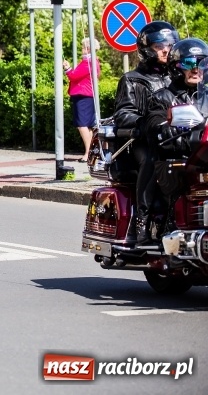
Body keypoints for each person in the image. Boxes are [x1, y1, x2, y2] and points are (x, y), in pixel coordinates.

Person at [113, 20, 179, 244]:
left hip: (175, 138)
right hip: (141, 142)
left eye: (170, 45)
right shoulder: (132, 79)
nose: (165, 50)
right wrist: (146, 124)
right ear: (146, 49)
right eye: (159, 46)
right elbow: (123, 114)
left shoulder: (177, 79)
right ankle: (142, 220)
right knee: (153, 159)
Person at [144, 38, 208, 243]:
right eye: (189, 63)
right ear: (175, 67)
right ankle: (170, 225)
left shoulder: (206, 96)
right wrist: (183, 135)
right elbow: (155, 129)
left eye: (202, 63)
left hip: (205, 157)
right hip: (177, 158)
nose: (196, 69)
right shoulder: (163, 97)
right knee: (179, 176)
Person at [63, 37, 101, 162]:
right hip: (88, 95)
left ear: (88, 48)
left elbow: (74, 76)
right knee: (88, 126)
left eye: (83, 47)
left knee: (82, 125)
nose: (81, 49)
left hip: (83, 95)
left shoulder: (88, 63)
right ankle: (90, 152)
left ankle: (88, 153)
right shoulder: (94, 61)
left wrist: (67, 68)